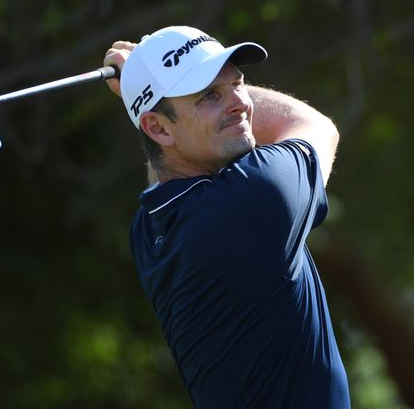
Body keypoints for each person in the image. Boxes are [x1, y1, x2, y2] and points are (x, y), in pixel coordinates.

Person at [103, 25, 349, 408]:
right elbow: (315, 125)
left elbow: (162, 162)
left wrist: (143, 87)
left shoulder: (150, 226)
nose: (240, 102)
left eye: (238, 83)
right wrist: (140, 83)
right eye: (209, 96)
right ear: (157, 127)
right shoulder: (253, 199)